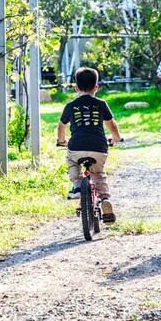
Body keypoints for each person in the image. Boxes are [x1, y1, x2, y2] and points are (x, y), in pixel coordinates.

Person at [56, 67, 123, 224]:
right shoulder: (101, 103)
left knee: (71, 159)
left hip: (76, 146)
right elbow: (111, 125)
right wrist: (116, 138)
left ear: (76, 88)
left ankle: (77, 184)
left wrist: (61, 141)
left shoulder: (70, 105)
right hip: (99, 147)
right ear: (96, 87)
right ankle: (105, 198)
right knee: (98, 174)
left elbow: (61, 126)